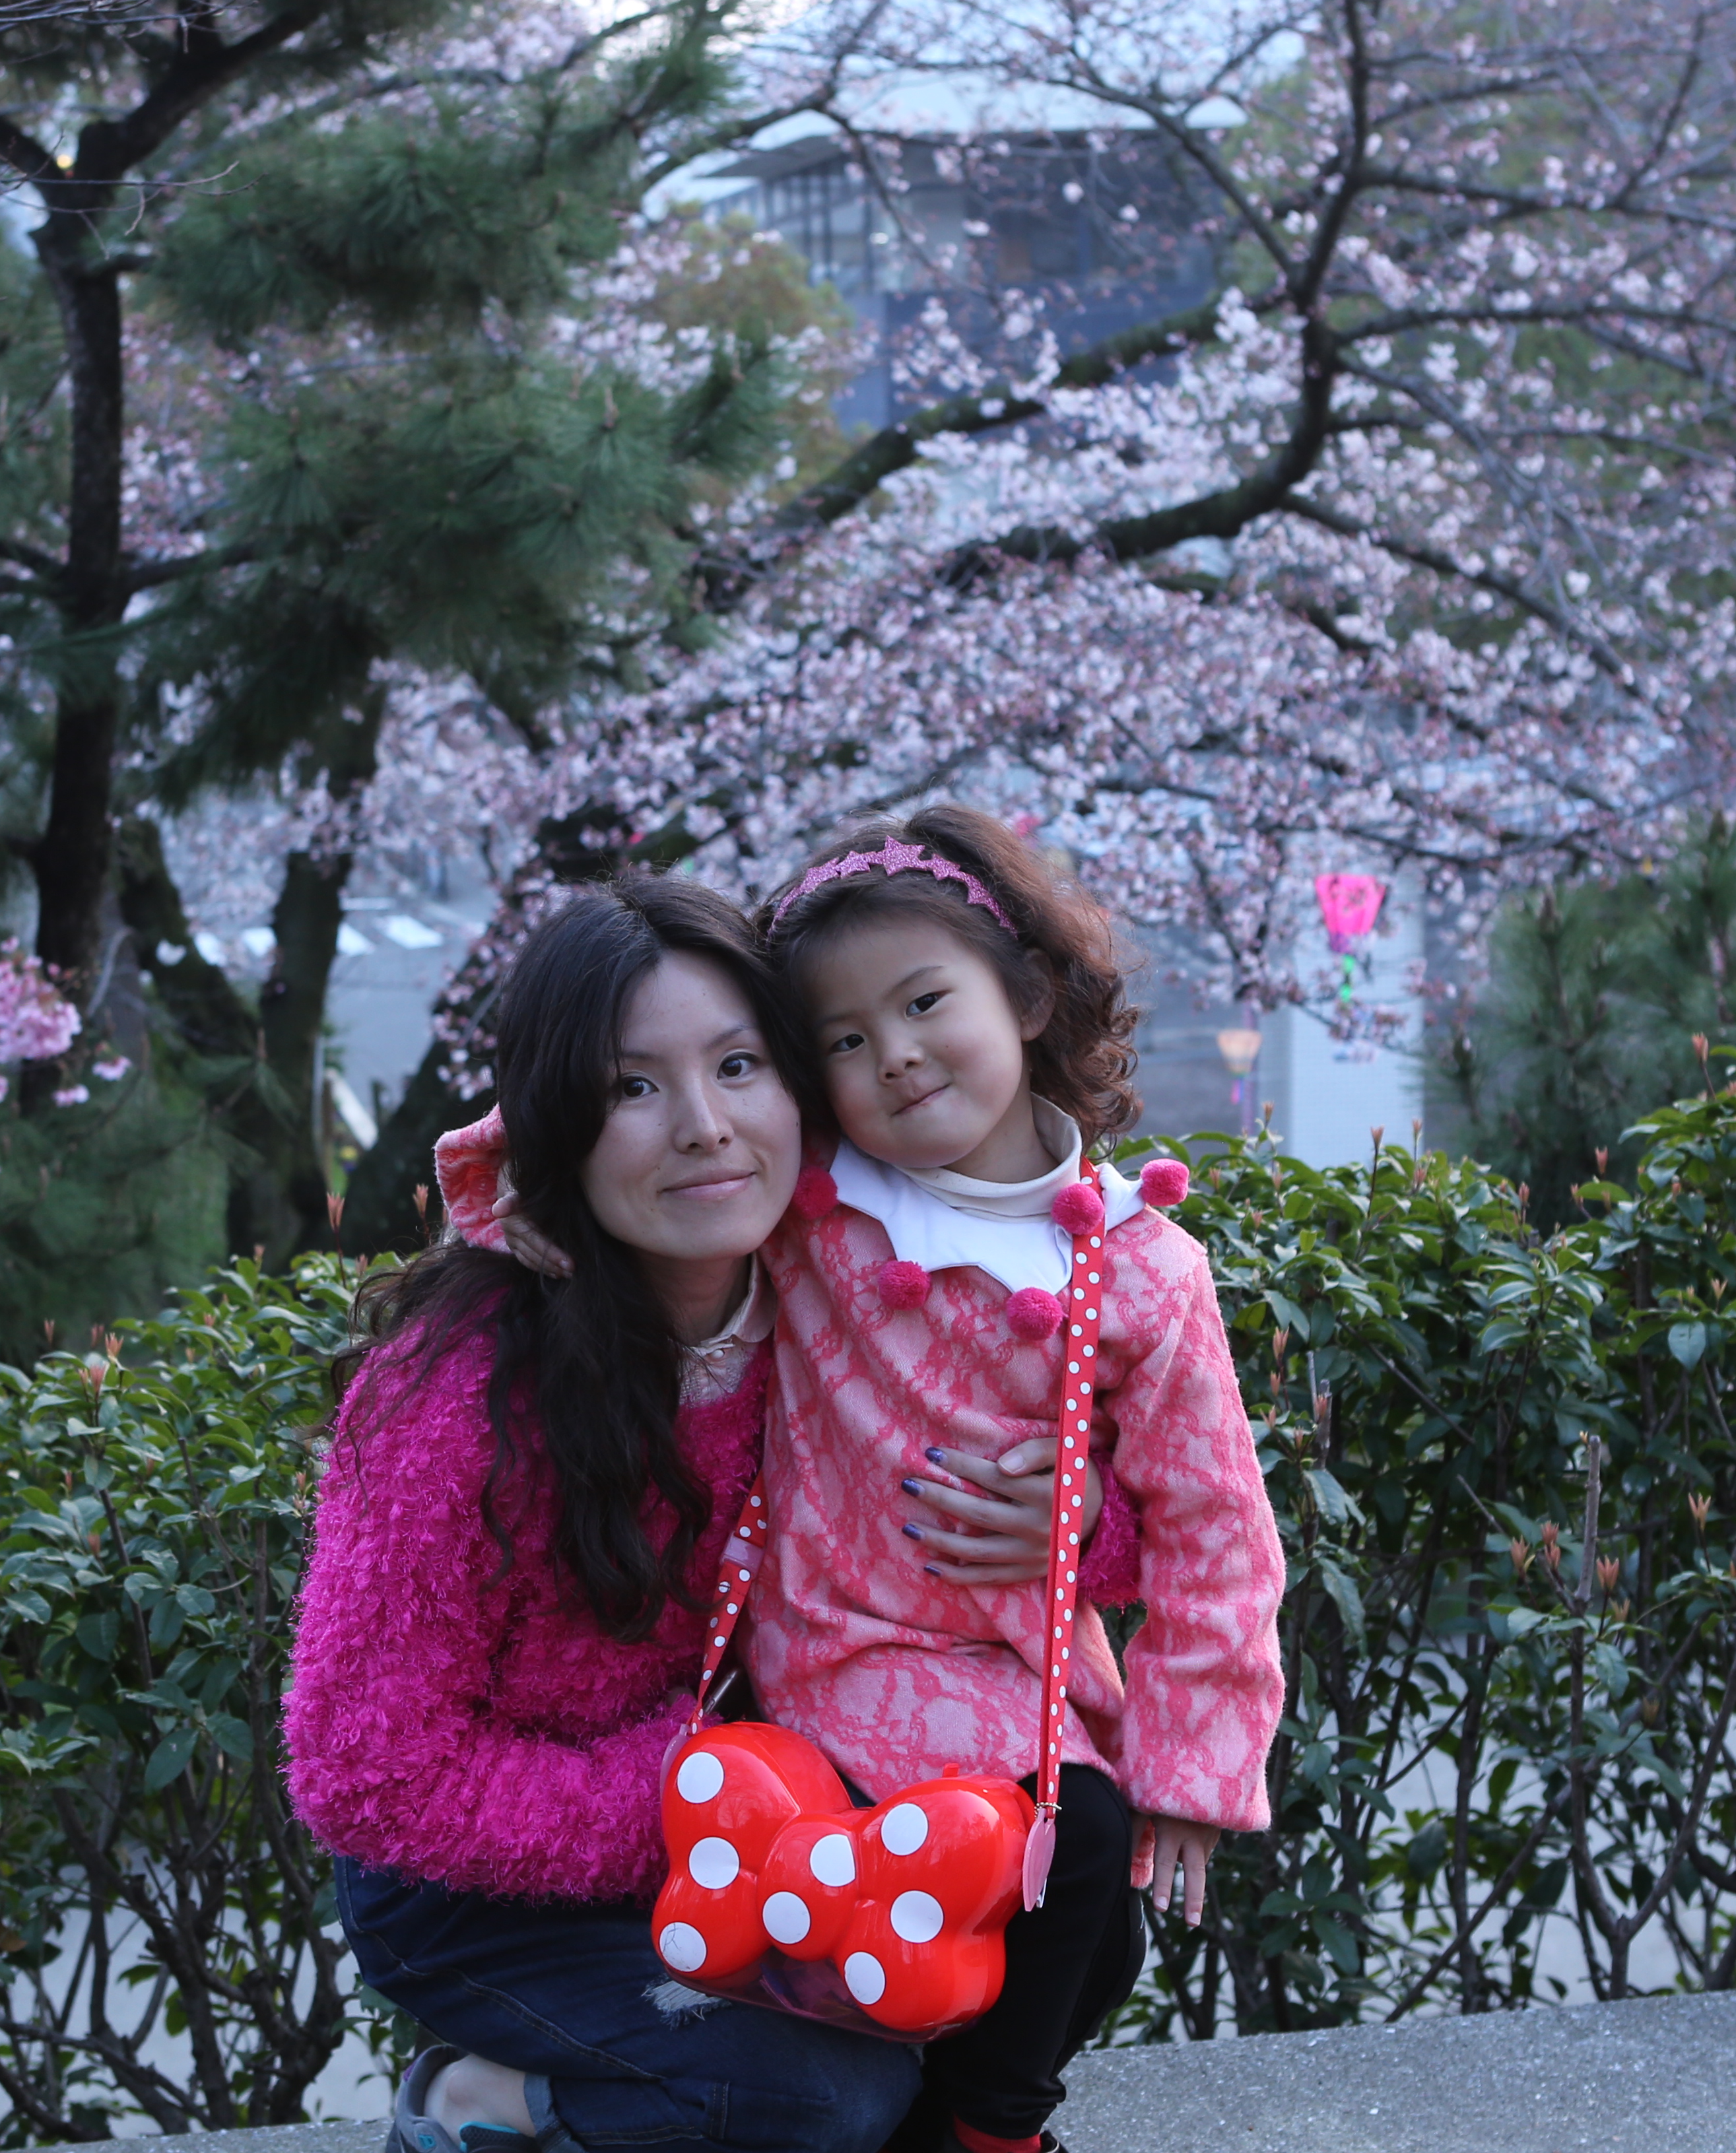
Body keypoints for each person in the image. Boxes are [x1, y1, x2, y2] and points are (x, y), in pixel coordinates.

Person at [441, 809, 1286, 2153]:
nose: (889, 1055)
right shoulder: (822, 1203)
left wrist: (1199, 1754)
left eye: (924, 1002)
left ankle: (950, 2122)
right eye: (838, 1037)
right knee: (1061, 1868)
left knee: (1091, 1938)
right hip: (828, 1652)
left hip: (1018, 1665)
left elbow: (1212, 1527)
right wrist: (526, 1160)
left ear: (1024, 990)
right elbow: (643, 1115)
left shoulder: (1139, 1269)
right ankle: (993, 2136)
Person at [285, 872, 1105, 2153]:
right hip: (480, 1884)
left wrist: (1073, 1517)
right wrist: (711, 1799)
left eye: (738, 1065)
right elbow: (368, 1775)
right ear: (555, 1119)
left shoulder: (837, 1300)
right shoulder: (456, 1393)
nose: (706, 1126)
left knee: (1072, 1919)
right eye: (632, 1087)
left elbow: (1034, 1515)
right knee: (814, 2096)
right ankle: (478, 2110)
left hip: (765, 1817)